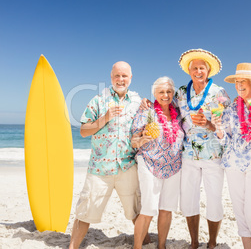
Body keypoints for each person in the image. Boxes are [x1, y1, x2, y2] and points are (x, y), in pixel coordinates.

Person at [141, 49, 231, 248]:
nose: (198, 71)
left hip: (213, 154)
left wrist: (209, 125)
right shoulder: (181, 92)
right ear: (189, 71)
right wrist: (147, 102)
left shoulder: (219, 93)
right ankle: (193, 242)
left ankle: (213, 242)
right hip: (187, 154)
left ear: (208, 71)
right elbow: (164, 105)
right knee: (189, 199)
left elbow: (228, 124)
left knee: (214, 198)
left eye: (202, 68)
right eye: (194, 68)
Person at [69, 61, 144, 249]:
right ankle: (72, 247)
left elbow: (144, 128)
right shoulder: (98, 101)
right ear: (111, 77)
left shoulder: (138, 102)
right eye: (117, 76)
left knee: (137, 210)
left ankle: (145, 244)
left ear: (131, 78)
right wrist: (106, 117)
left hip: (127, 165)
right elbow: (84, 131)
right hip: (100, 168)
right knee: (85, 211)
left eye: (124, 76)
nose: (120, 79)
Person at [212, 63, 251, 249]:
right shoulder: (231, 108)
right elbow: (225, 138)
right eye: (237, 82)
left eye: (243, 81)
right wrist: (218, 128)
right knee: (239, 209)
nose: (239, 85)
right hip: (233, 163)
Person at [130, 77, 185, 249]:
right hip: (150, 163)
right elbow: (133, 140)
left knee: (167, 208)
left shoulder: (178, 110)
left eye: (169, 91)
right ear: (154, 94)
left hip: (174, 165)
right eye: (161, 92)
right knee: (148, 208)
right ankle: (137, 247)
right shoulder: (147, 111)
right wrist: (140, 140)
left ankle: (162, 246)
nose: (166, 95)